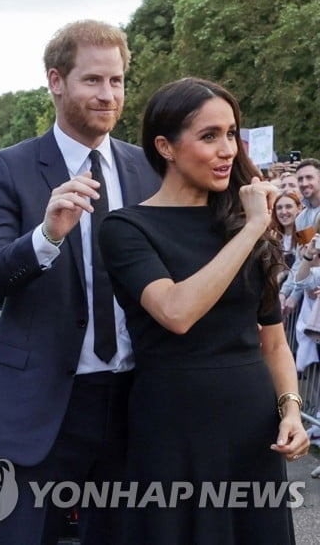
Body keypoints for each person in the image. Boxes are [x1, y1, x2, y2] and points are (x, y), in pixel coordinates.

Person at [0, 20, 160, 544]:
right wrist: (46, 237)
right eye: (92, 80)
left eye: (117, 81)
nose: (108, 95)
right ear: (56, 81)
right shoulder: (9, 168)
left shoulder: (147, 170)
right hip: (44, 407)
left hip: (132, 403)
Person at [99, 77, 306, 544]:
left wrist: (290, 411)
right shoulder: (127, 228)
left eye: (231, 133)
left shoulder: (238, 223)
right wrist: (253, 228)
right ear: (165, 147)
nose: (227, 149)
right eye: (209, 136)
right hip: (172, 428)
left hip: (252, 425)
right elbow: (177, 312)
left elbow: (272, 342)